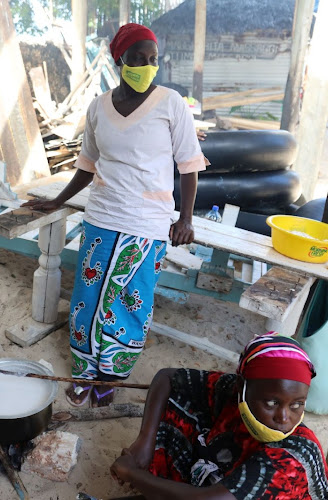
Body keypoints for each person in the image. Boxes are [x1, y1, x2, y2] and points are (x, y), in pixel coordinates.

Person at [23, 23, 207, 408]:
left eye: (153, 59)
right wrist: (58, 200)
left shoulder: (171, 104)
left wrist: (185, 219)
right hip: (102, 217)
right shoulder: (98, 107)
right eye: (138, 58)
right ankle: (83, 372)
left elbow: (189, 166)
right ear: (120, 60)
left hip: (147, 224)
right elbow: (87, 165)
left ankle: (113, 374)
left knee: (128, 300)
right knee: (86, 298)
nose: (146, 66)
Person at [110, 334, 328, 499]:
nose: (284, 418)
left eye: (297, 405)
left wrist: (131, 473)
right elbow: (168, 378)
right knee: (183, 401)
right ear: (242, 387)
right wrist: (145, 442)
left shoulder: (292, 455)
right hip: (220, 488)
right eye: (272, 402)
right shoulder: (232, 392)